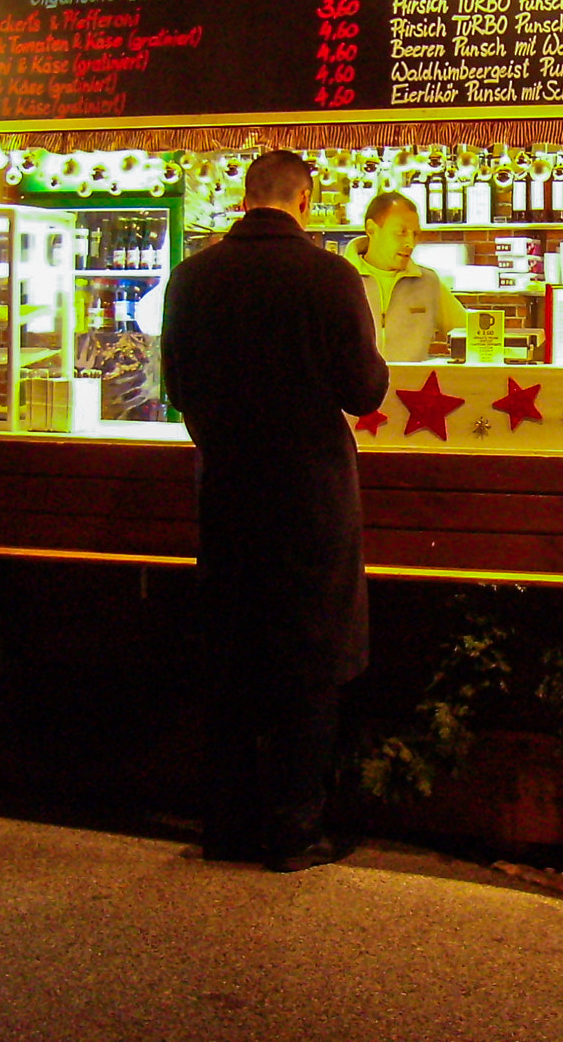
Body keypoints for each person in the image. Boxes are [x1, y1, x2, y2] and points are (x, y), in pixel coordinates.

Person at [162, 149, 389, 872]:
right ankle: (295, 831)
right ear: (305, 198)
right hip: (310, 495)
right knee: (308, 659)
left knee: (231, 655)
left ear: (247, 195)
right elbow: (364, 391)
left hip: (226, 487)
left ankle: (226, 828)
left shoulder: (192, 277)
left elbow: (178, 386)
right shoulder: (330, 276)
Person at [343, 191, 467, 362]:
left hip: (410, 387)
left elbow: (469, 333)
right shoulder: (338, 279)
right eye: (401, 232)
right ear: (371, 229)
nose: (410, 242)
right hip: (353, 388)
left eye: (415, 234)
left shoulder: (428, 282)